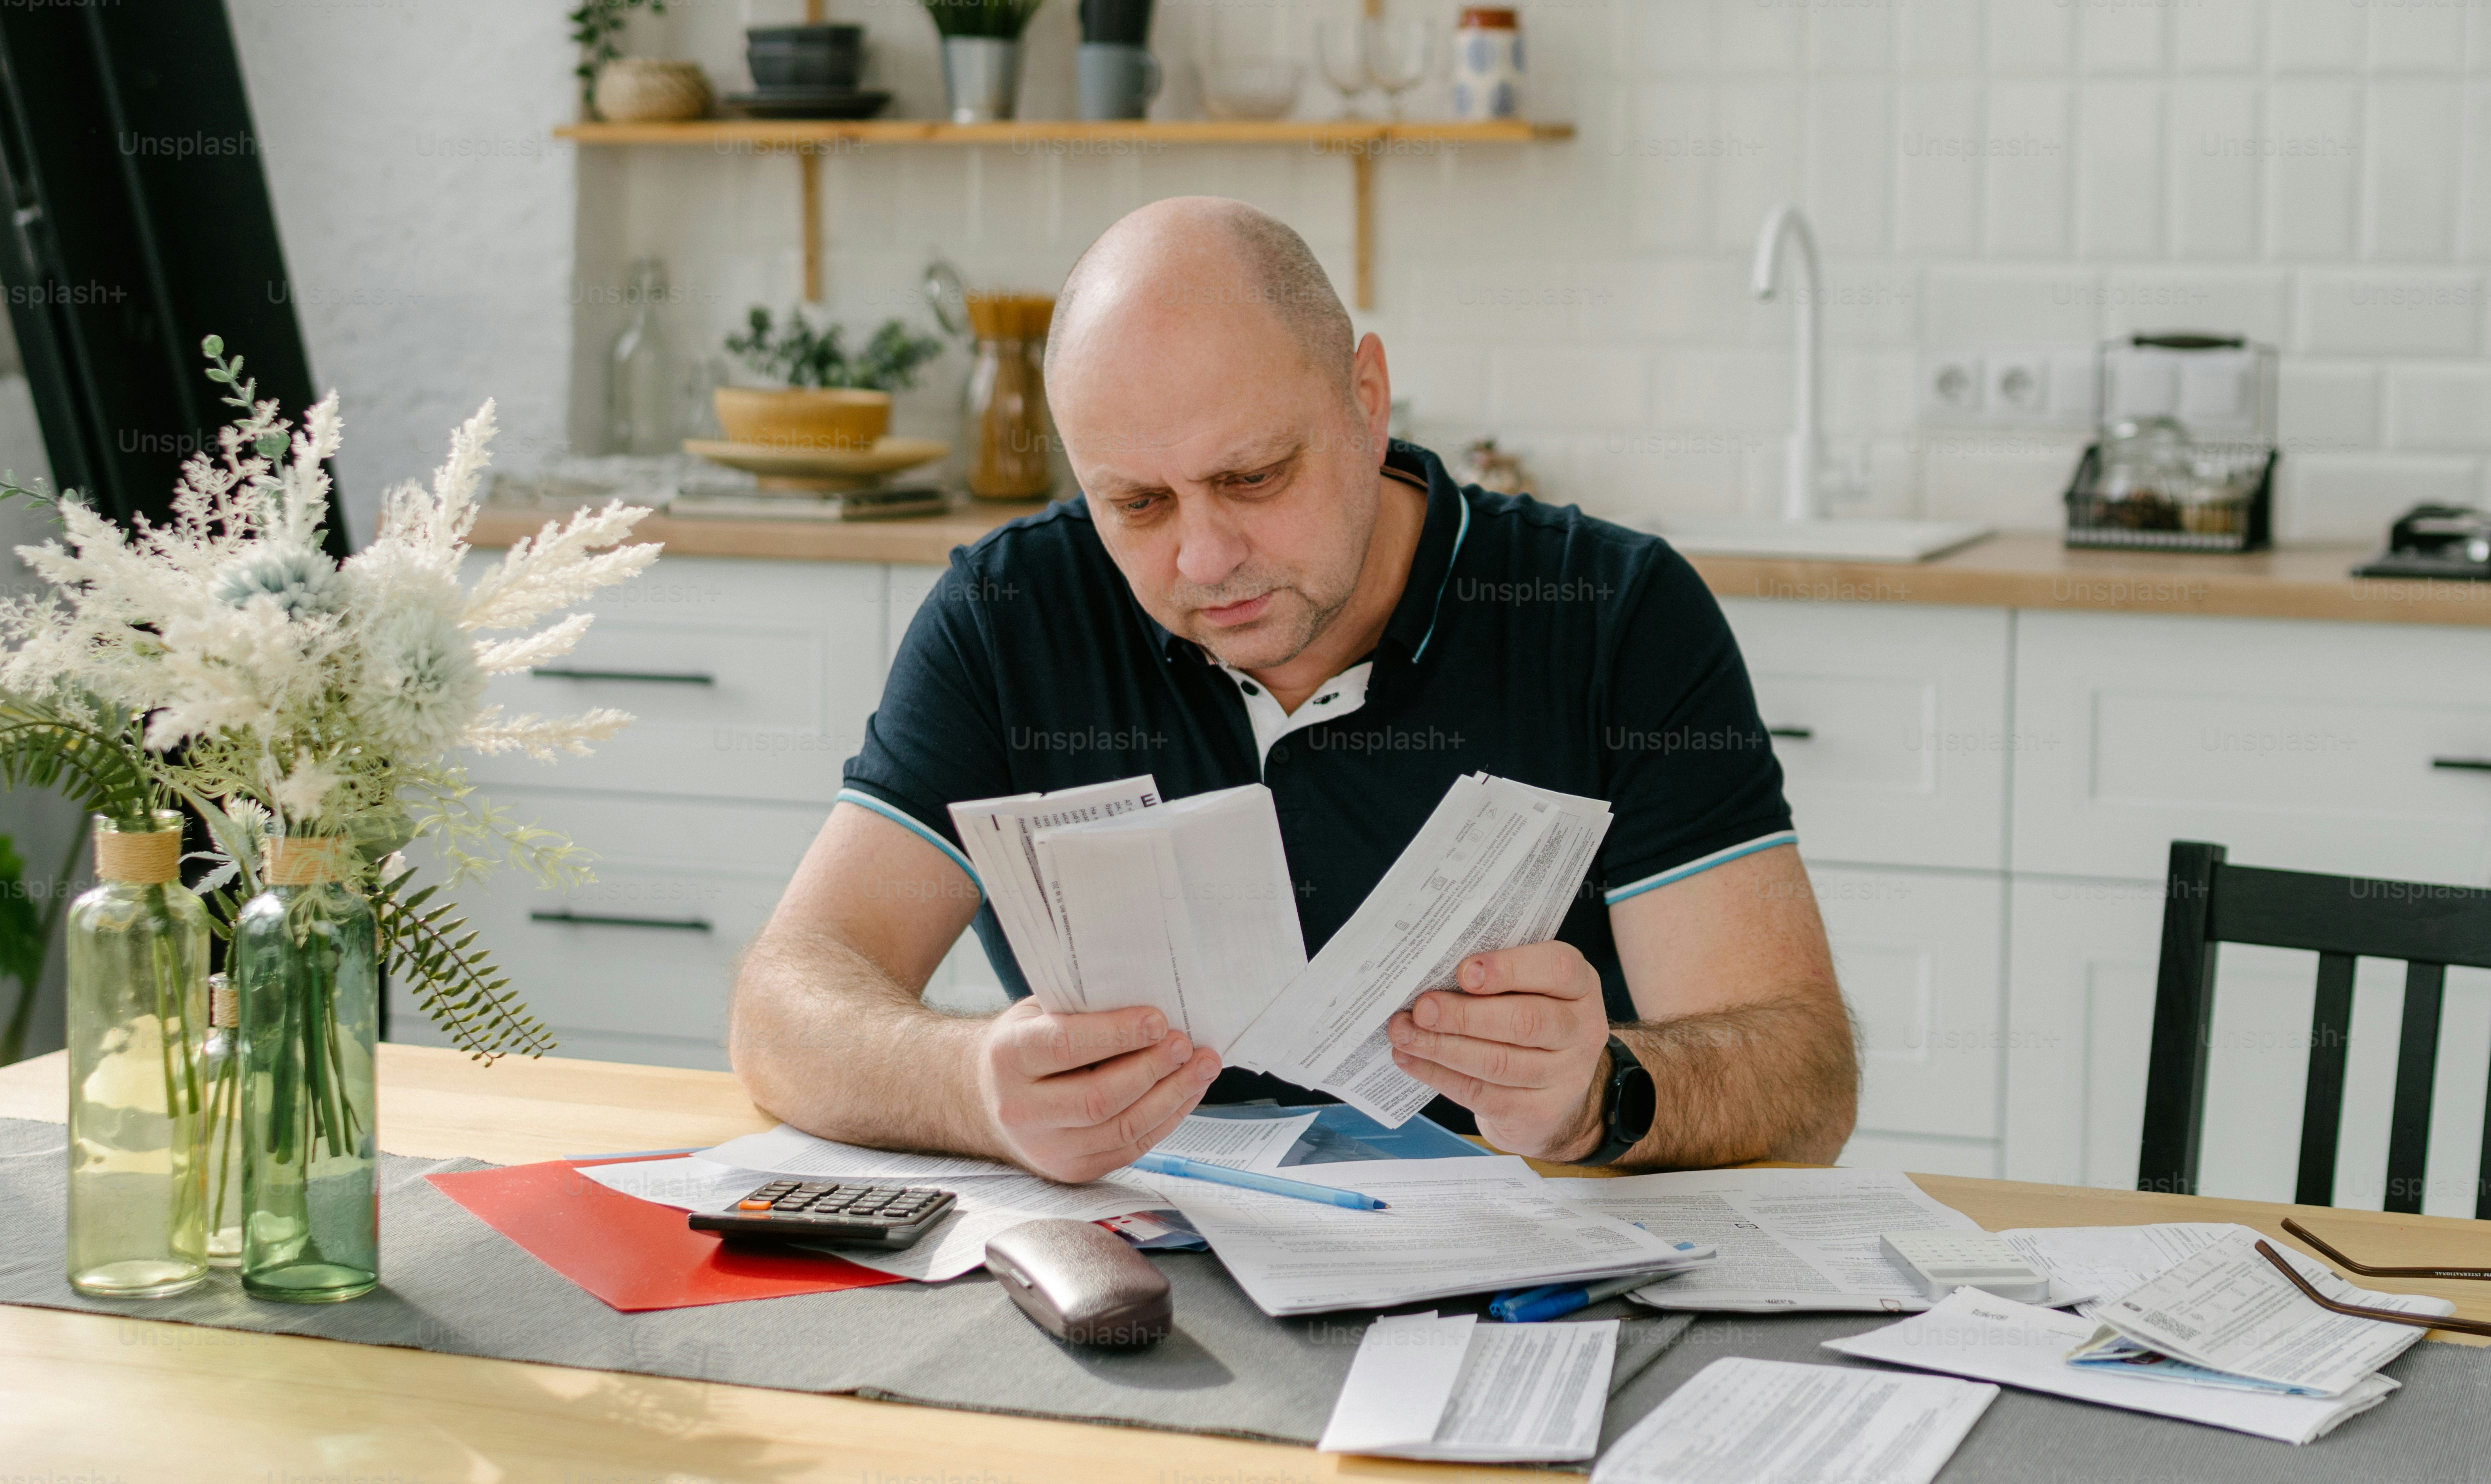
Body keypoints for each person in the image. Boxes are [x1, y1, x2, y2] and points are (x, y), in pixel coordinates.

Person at [730, 198, 1856, 1182]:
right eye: (1137, 503)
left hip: (1520, 1284)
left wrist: (1602, 1091)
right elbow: (786, 1005)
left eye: (1252, 476)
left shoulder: (1609, 612)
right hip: (1138, 1288)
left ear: (1367, 397)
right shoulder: (1012, 613)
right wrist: (973, 1083)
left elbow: (1804, 1074)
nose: (1205, 557)